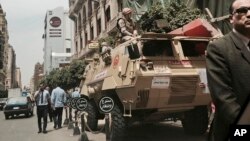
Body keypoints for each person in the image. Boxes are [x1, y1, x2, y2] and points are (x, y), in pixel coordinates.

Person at [206, 0, 250, 140]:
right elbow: (224, 99)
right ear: (231, 18)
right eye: (243, 10)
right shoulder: (219, 48)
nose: (249, 14)